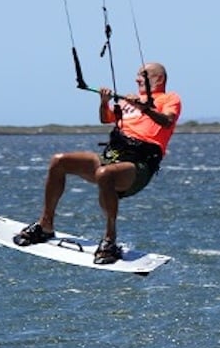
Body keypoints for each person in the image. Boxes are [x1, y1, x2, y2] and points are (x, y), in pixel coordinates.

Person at [12, 62, 182, 264]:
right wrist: (104, 102)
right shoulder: (129, 100)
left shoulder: (170, 99)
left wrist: (145, 108)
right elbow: (106, 118)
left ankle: (109, 240)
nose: (137, 79)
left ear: (159, 79)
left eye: (143, 75)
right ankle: (46, 224)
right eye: (137, 74)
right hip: (112, 156)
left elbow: (167, 121)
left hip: (138, 165)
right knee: (59, 161)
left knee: (105, 174)